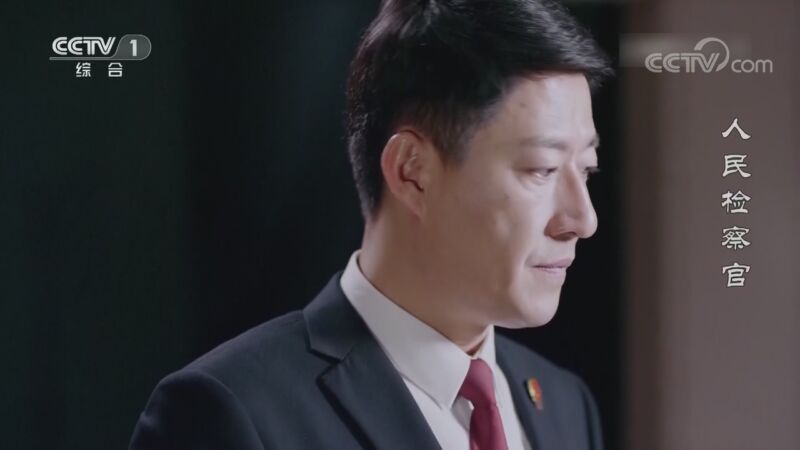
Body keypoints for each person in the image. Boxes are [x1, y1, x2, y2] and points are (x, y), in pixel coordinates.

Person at [129, 0, 613, 448]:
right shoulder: (231, 413)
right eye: (542, 170)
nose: (583, 219)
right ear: (411, 172)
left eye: (587, 170)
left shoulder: (565, 405)